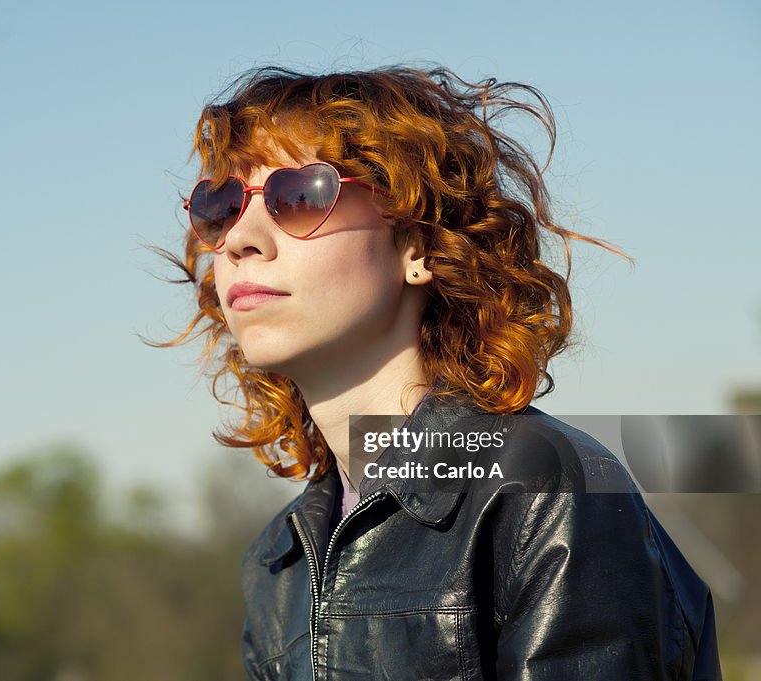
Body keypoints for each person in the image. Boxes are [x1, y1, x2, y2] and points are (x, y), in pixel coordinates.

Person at [153, 65, 722, 680]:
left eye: (299, 195)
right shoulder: (278, 562)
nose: (241, 239)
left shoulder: (540, 493)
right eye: (222, 206)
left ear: (418, 247)